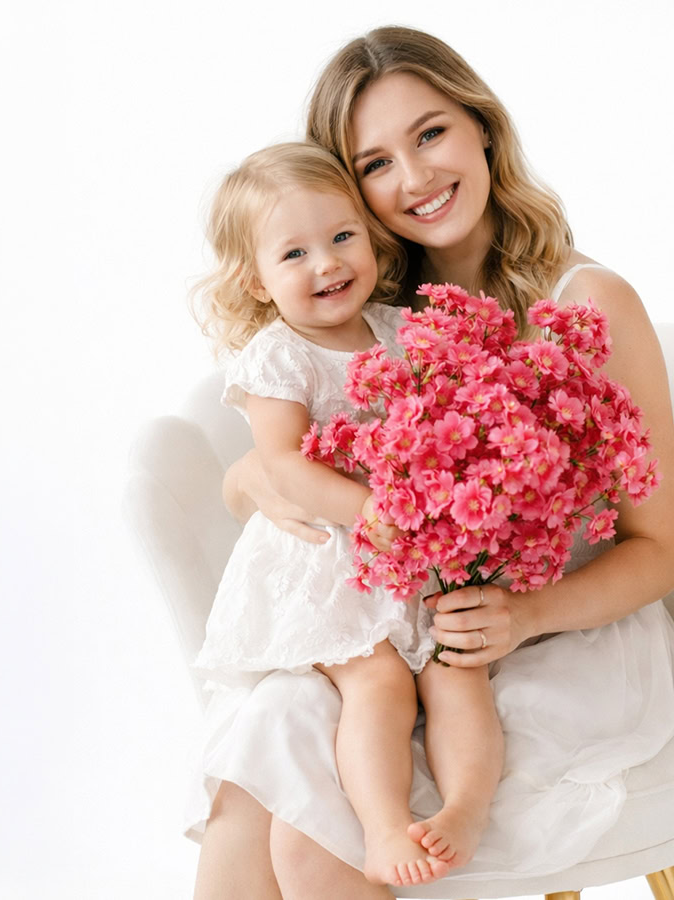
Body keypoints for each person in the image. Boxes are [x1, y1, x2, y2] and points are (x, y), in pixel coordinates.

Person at [189, 26, 674, 900]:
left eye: (430, 134)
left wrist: (525, 616)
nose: (415, 178)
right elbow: (275, 472)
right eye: (375, 163)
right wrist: (253, 479)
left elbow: (659, 548)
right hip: (407, 623)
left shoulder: (588, 304)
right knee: (278, 724)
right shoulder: (368, 310)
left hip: (558, 637)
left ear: (482, 128)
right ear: (349, 193)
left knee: (309, 775)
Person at [190, 141, 504, 888]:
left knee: (461, 674)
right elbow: (284, 467)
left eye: (341, 238)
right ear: (257, 282)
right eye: (293, 253)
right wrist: (369, 505)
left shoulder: (402, 331)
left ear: (370, 237)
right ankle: (382, 823)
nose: (326, 264)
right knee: (380, 683)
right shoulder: (278, 355)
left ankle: (465, 804)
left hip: (408, 552)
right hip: (324, 564)